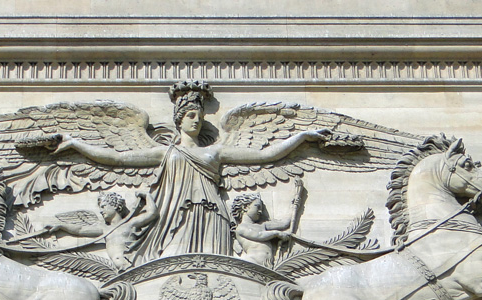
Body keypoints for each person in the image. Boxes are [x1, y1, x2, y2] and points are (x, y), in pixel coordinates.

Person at [52, 80, 328, 260]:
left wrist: (301, 137)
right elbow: (114, 158)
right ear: (179, 120)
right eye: (190, 116)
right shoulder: (166, 151)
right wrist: (77, 144)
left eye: (199, 116)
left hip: (212, 214)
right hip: (174, 216)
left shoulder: (215, 152)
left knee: (215, 265)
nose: (196, 121)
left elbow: (266, 154)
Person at [37, 190, 159, 270]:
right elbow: (81, 229)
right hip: (121, 269)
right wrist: (61, 226)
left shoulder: (130, 224)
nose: (101, 211)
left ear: (116, 206)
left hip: (132, 265)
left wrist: (147, 196)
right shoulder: (105, 229)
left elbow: (152, 214)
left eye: (104, 206)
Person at [230, 194, 291, 268]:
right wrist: (276, 233)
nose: (260, 211)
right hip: (253, 261)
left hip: (267, 264)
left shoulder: (262, 225)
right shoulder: (241, 228)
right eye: (257, 207)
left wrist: (294, 206)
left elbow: (284, 224)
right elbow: (259, 235)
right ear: (245, 207)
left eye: (261, 208)